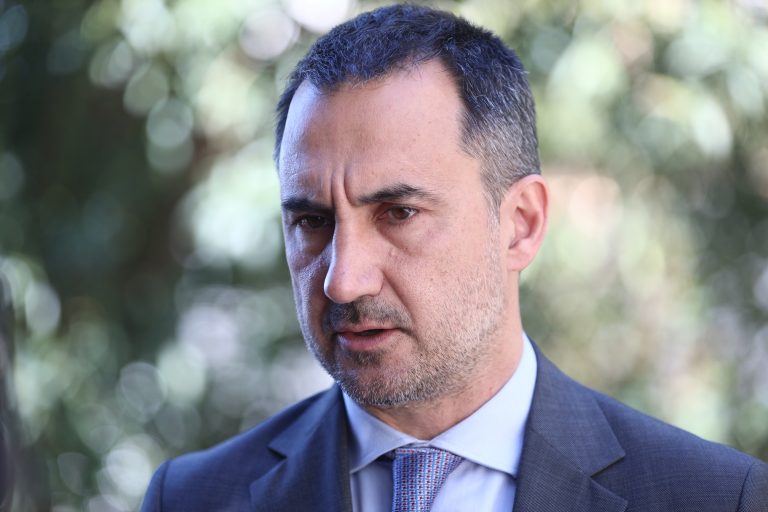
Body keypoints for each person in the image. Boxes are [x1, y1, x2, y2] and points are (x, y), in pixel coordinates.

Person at [141, 5, 768, 511]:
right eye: (312, 221)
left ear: (521, 225)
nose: (343, 279)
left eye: (399, 213)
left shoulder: (715, 498)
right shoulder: (192, 499)